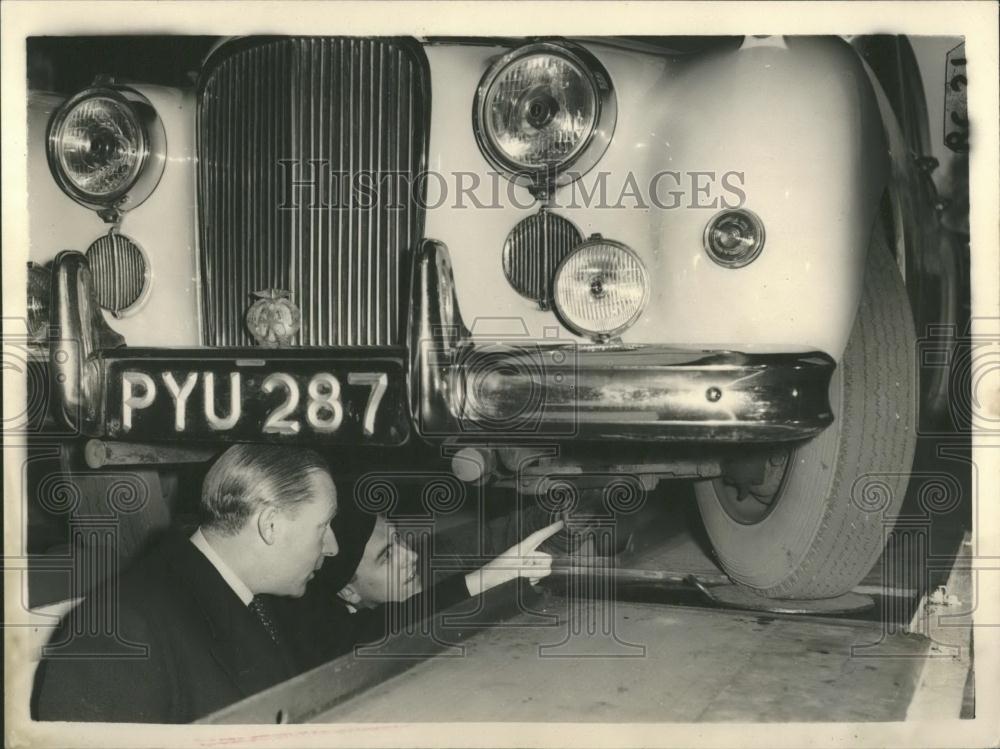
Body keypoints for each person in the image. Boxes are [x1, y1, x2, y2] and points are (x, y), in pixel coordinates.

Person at [31, 444, 339, 723]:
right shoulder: (120, 633)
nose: (332, 546)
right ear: (270, 525)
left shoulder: (258, 596)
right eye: (324, 525)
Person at [272, 498, 563, 671]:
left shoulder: (420, 569)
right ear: (348, 592)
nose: (410, 556)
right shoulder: (326, 643)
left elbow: (495, 533)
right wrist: (489, 578)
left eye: (398, 539)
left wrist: (560, 513)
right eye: (387, 556)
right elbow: (376, 632)